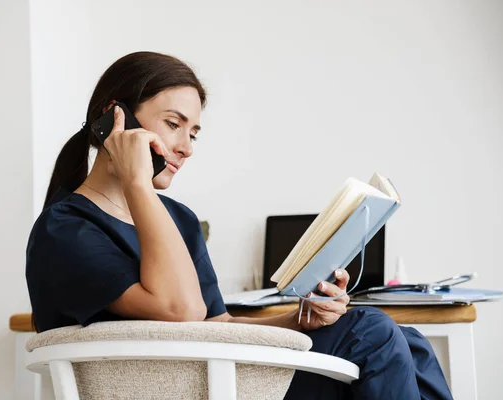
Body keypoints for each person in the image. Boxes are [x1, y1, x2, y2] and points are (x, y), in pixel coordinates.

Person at [25, 51, 453, 400]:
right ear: (113, 118)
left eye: (193, 133)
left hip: (220, 379)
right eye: (173, 125)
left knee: (407, 340)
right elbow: (182, 311)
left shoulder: (179, 220)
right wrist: (138, 181)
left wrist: (298, 320)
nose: (186, 148)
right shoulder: (64, 230)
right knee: (372, 335)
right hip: (190, 391)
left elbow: (216, 327)